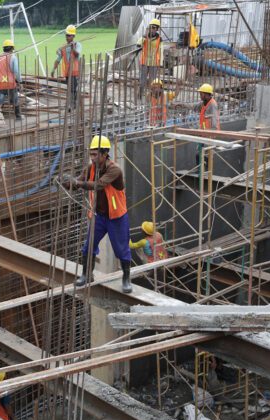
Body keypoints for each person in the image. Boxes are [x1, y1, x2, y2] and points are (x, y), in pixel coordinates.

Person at [63, 135, 132, 293]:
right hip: (99, 216)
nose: (92, 157)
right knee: (88, 247)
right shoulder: (90, 168)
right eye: (91, 154)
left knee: (122, 250)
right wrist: (67, 182)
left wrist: (78, 183)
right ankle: (86, 275)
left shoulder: (114, 170)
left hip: (116, 218)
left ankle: (127, 278)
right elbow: (79, 182)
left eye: (95, 154)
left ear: (104, 153)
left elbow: (98, 185)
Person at [51, 25, 82, 109]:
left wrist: (73, 48)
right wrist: (53, 69)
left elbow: (77, 54)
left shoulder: (77, 44)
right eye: (66, 35)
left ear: (73, 36)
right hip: (68, 72)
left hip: (75, 72)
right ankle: (72, 104)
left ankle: (71, 104)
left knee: (73, 88)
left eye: (69, 35)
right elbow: (58, 59)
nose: (67, 37)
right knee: (70, 88)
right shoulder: (64, 47)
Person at [0, 39, 22, 128]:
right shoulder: (13, 57)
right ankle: (18, 117)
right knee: (15, 100)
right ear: (12, 48)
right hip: (10, 83)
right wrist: (19, 81)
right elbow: (16, 71)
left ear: (4, 48)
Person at [138, 19, 163, 96]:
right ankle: (140, 94)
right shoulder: (145, 37)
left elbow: (161, 51)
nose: (152, 29)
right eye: (151, 27)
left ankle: (152, 94)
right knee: (143, 80)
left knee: (153, 80)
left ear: (157, 29)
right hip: (144, 61)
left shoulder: (159, 39)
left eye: (154, 27)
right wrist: (144, 37)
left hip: (154, 62)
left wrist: (160, 62)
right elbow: (138, 44)